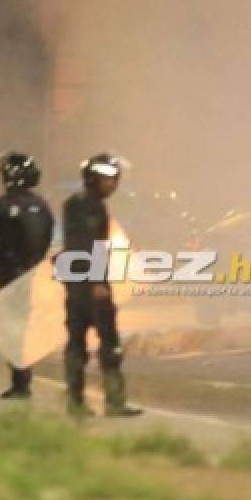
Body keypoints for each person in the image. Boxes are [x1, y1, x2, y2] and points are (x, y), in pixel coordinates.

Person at [62, 152, 141, 417]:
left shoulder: (76, 203)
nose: (112, 184)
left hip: (76, 283)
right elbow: (90, 245)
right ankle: (114, 402)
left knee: (76, 344)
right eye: (107, 179)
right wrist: (97, 281)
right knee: (109, 344)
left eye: (114, 179)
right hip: (89, 285)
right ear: (93, 178)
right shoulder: (90, 207)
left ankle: (75, 403)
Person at [0, 151, 55, 399]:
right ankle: (23, 380)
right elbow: (46, 239)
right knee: (24, 327)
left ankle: (20, 383)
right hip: (33, 275)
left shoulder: (1, 206)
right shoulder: (42, 206)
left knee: (11, 329)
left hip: (10, 275)